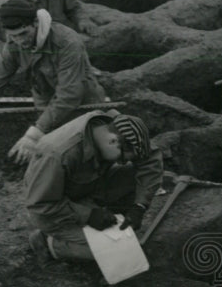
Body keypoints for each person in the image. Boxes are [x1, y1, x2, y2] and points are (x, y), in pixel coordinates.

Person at [0, 0, 105, 163]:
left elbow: (69, 94)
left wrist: (33, 135)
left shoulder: (67, 43)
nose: (20, 41)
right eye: (14, 36)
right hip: (45, 101)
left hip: (82, 103)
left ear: (36, 23)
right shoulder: (14, 42)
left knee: (77, 154)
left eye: (24, 33)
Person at [25, 112, 163, 262]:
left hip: (87, 188)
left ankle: (108, 221)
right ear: (112, 141)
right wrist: (89, 215)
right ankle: (49, 243)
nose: (122, 163)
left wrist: (139, 206)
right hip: (53, 211)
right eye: (121, 159)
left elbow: (150, 159)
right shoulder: (56, 154)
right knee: (120, 252)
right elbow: (40, 204)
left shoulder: (119, 126)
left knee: (133, 176)